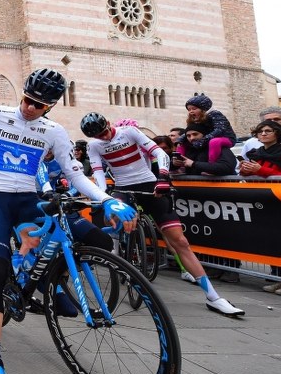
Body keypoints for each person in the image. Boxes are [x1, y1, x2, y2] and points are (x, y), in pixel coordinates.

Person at [0, 69, 137, 374]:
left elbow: (75, 174)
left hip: (27, 197)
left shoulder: (54, 131)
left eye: (39, 105)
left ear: (50, 107)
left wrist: (108, 199)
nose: (29, 108)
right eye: (27, 100)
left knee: (67, 237)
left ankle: (44, 282)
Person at [82, 112, 245, 313]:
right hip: (123, 189)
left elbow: (159, 153)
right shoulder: (94, 146)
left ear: (108, 123)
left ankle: (213, 296)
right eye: (98, 136)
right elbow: (98, 172)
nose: (104, 137)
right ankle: (119, 249)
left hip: (149, 184)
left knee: (181, 242)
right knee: (114, 217)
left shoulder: (129, 132)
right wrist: (104, 195)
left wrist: (163, 177)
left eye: (105, 132)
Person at [239, 120, 281, 293]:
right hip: (264, 201)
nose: (263, 134)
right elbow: (249, 173)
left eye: (268, 131)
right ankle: (278, 277)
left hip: (280, 199)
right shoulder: (256, 152)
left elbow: (278, 175)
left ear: (277, 133)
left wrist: (260, 170)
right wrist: (245, 169)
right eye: (260, 131)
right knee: (274, 240)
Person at [179, 95, 237, 163]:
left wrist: (204, 140)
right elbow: (189, 130)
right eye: (189, 109)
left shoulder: (215, 114)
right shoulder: (197, 118)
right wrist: (181, 139)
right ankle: (180, 163)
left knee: (214, 142)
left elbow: (220, 129)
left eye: (194, 109)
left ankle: (212, 164)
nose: (191, 111)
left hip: (226, 138)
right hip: (208, 138)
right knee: (181, 143)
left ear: (203, 109)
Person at [172, 123, 238, 176]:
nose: (192, 138)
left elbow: (226, 167)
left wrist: (194, 164)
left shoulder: (219, 147)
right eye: (188, 136)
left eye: (195, 134)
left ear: (205, 135)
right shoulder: (187, 148)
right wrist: (175, 164)